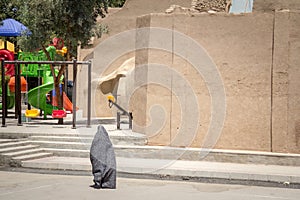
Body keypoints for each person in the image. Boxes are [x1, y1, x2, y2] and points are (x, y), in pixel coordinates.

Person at [90, 125, 117, 189]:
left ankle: (98, 182)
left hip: (100, 160)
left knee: (99, 167)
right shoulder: (108, 142)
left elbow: (93, 152)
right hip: (110, 167)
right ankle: (108, 183)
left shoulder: (96, 141)